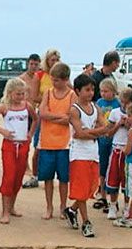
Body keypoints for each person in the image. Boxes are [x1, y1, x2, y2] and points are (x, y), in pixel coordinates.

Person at [0, 78, 37, 224]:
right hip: (9, 145)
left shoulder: (27, 106)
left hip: (23, 144)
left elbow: (36, 119)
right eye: (18, 94)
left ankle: (12, 206)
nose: (20, 97)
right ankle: (5, 211)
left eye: (22, 94)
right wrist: (2, 131)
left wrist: (30, 134)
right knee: (9, 176)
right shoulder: (4, 107)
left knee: (19, 177)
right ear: (10, 93)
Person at [62, 74, 108, 237]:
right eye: (87, 90)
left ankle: (71, 210)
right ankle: (86, 222)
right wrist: (96, 133)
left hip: (93, 152)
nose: (90, 93)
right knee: (81, 189)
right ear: (77, 91)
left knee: (91, 188)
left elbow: (105, 127)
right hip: (79, 153)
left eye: (92, 89)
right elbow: (79, 133)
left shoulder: (96, 108)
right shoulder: (75, 110)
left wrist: (91, 133)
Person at [38, 62, 76, 220]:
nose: (54, 83)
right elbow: (42, 113)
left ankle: (62, 206)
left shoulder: (71, 94)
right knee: (47, 177)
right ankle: (49, 206)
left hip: (64, 143)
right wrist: (58, 117)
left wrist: (53, 117)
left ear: (66, 79)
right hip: (47, 142)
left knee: (63, 178)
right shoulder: (48, 92)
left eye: (57, 80)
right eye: (52, 80)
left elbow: (70, 118)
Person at [23, 49, 62, 189]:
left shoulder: (62, 77)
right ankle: (35, 175)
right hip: (43, 112)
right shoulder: (40, 75)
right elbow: (34, 96)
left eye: (57, 60)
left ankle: (51, 175)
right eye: (52, 60)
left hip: (58, 113)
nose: (55, 62)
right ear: (47, 61)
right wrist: (50, 98)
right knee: (38, 146)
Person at [105, 88, 132, 219]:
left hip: (129, 151)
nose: (124, 106)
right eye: (122, 102)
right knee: (113, 179)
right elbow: (108, 133)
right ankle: (113, 205)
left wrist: (129, 125)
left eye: (127, 103)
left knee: (127, 181)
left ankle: (126, 206)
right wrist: (119, 124)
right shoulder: (114, 113)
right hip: (116, 148)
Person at [94, 78, 121, 211]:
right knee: (102, 167)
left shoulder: (118, 103)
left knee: (113, 168)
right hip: (102, 139)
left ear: (113, 91)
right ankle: (102, 195)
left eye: (106, 91)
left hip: (114, 140)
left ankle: (113, 199)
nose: (103, 93)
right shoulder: (99, 102)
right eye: (101, 91)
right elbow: (97, 119)